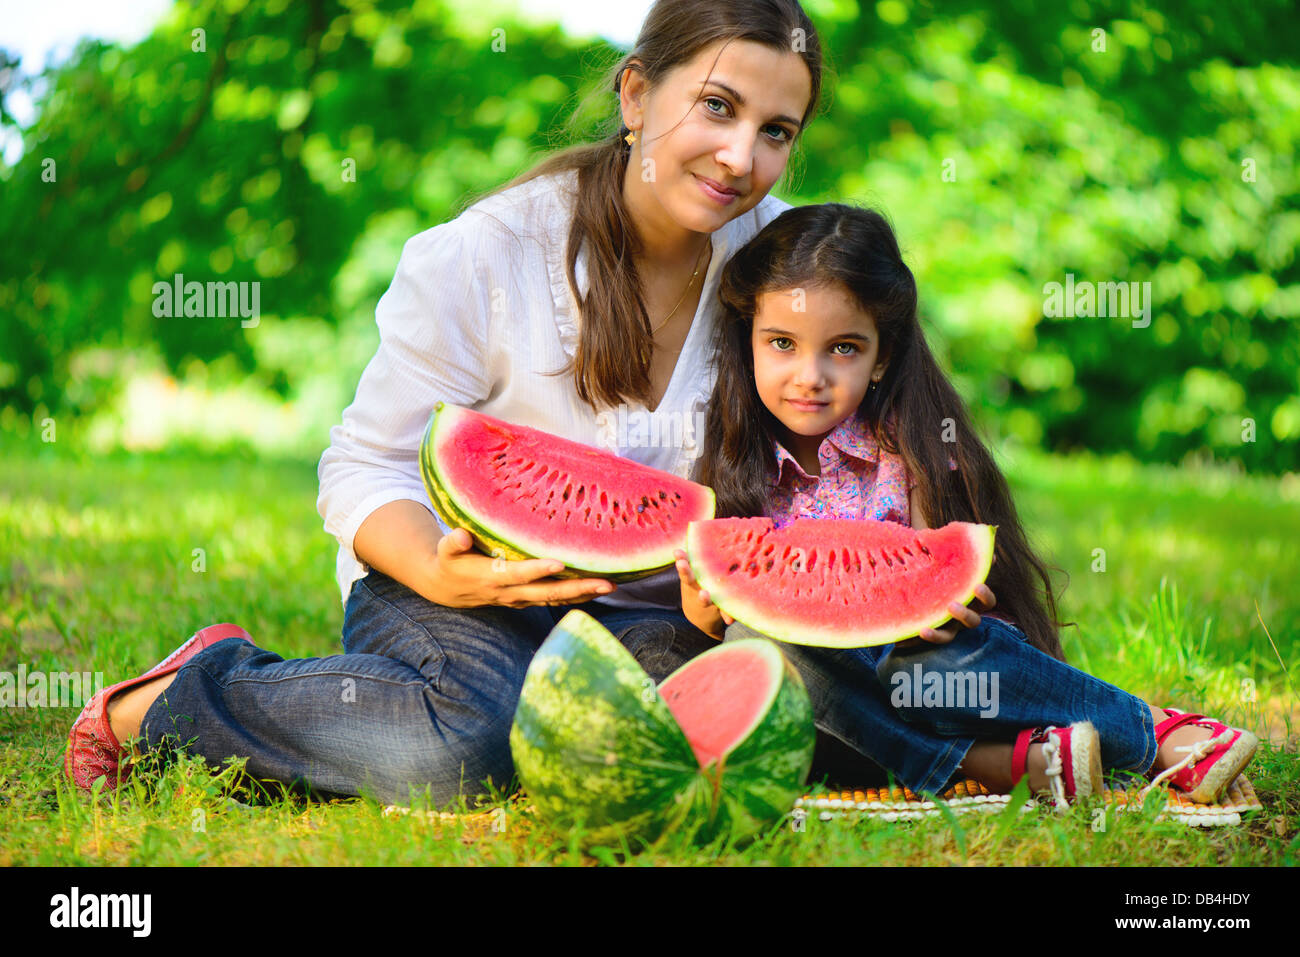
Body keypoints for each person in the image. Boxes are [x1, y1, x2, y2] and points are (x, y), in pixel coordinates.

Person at [64, 0, 825, 806]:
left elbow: (859, 438)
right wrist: (435, 564)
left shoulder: (786, 265)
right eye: (717, 106)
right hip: (454, 588)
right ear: (636, 96)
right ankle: (190, 690)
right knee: (463, 750)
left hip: (658, 621)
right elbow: (362, 466)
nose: (740, 156)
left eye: (777, 131)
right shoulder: (491, 251)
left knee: (729, 729)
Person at [674, 203, 1259, 806]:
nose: (810, 375)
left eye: (843, 348)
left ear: (881, 356)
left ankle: (1150, 732)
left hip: (932, 675)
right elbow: (713, 628)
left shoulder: (909, 450)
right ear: (748, 341)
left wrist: (948, 609)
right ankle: (991, 766)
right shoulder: (733, 462)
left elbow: (937, 581)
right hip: (833, 700)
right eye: (782, 344)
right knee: (759, 654)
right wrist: (704, 608)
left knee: (931, 667)